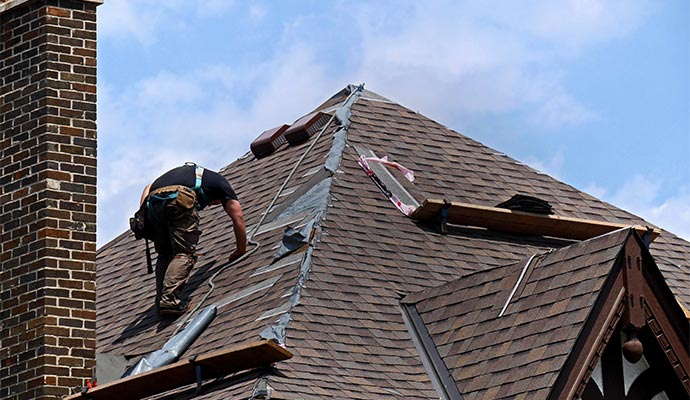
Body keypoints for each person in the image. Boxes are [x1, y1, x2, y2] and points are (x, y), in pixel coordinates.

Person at [139, 162, 247, 317]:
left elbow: (148, 187)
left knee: (165, 254)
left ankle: (161, 301)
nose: (209, 205)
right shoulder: (222, 183)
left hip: (152, 203)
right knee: (184, 253)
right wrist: (241, 249)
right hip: (177, 197)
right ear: (219, 197)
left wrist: (143, 214)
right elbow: (238, 217)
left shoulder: (188, 175)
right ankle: (169, 300)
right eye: (214, 203)